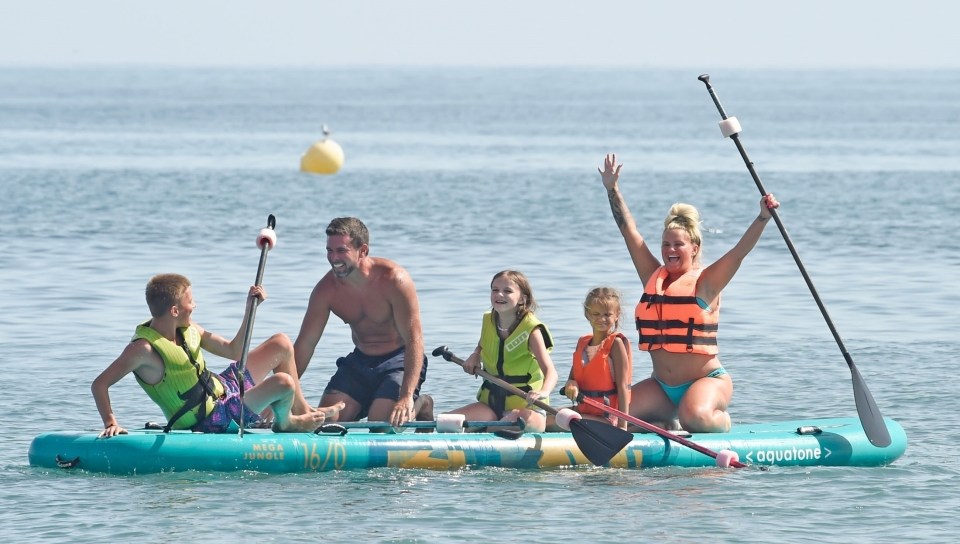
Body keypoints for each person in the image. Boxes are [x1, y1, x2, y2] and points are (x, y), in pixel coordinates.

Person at [598, 152, 780, 433]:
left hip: (707, 381)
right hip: (661, 386)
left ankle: (720, 420)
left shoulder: (706, 282)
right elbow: (629, 231)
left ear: (693, 248)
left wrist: (763, 217)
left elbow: (739, 252)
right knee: (613, 418)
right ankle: (660, 423)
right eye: (665, 244)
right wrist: (613, 189)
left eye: (678, 245)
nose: (670, 250)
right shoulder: (652, 277)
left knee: (693, 417)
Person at [92, 273, 343, 438]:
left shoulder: (190, 330)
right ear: (175, 310)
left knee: (281, 343)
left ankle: (301, 412)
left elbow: (234, 351)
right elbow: (100, 384)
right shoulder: (142, 350)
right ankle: (286, 423)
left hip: (223, 390)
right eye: (191, 301)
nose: (195, 305)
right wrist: (110, 422)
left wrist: (249, 309)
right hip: (211, 418)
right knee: (283, 383)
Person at [293, 217, 431, 428]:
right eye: (329, 251)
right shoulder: (326, 290)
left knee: (381, 426)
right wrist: (283, 393)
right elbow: (305, 344)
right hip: (360, 362)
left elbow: (414, 339)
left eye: (341, 251)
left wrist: (406, 395)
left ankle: (420, 404)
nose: (333, 258)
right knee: (325, 425)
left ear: (363, 250)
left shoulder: (394, 280)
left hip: (399, 360)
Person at [445, 270, 559, 433]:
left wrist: (543, 391)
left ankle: (492, 430)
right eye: (495, 289)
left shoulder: (531, 331)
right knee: (445, 423)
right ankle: (426, 407)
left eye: (507, 291)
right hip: (491, 405)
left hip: (527, 409)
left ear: (522, 298)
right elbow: (484, 343)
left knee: (517, 420)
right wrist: (475, 355)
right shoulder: (489, 320)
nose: (499, 294)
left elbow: (551, 372)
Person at [561, 287, 633, 430]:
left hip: (606, 418)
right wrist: (571, 384)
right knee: (545, 415)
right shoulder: (582, 343)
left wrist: (622, 426)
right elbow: (572, 377)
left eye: (607, 314)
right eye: (596, 314)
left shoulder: (615, 345)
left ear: (617, 315)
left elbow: (623, 387)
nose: (601, 319)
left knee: (558, 418)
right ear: (588, 314)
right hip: (583, 412)